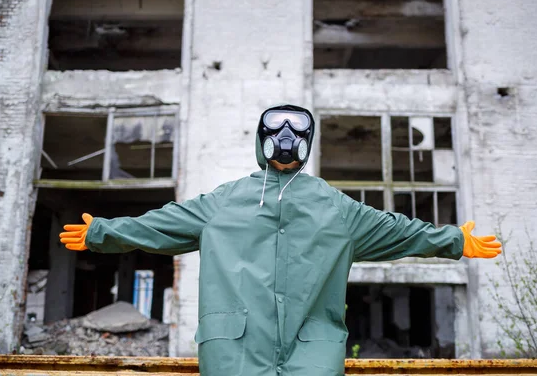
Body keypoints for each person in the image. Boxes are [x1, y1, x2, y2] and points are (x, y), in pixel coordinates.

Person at [60, 104, 501, 376]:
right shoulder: (226, 201)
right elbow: (160, 224)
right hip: (235, 352)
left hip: (310, 354)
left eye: (296, 131)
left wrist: (452, 241)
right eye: (276, 129)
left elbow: (398, 230)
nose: (286, 139)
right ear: (262, 139)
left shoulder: (335, 207)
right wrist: (103, 232)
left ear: (306, 142)